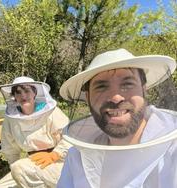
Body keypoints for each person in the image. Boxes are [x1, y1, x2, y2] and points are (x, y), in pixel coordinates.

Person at [57, 48, 177, 188]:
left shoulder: (172, 151)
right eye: (101, 87)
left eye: (127, 84)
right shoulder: (77, 156)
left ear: (144, 89)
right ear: (88, 97)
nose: (116, 98)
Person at [0, 76, 71, 188]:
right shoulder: (11, 118)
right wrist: (14, 168)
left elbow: (71, 136)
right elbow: (9, 147)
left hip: (60, 162)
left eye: (26, 90)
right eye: (18, 92)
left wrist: (55, 154)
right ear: (14, 96)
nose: (23, 96)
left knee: (19, 168)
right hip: (31, 164)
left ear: (34, 93)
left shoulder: (52, 112)